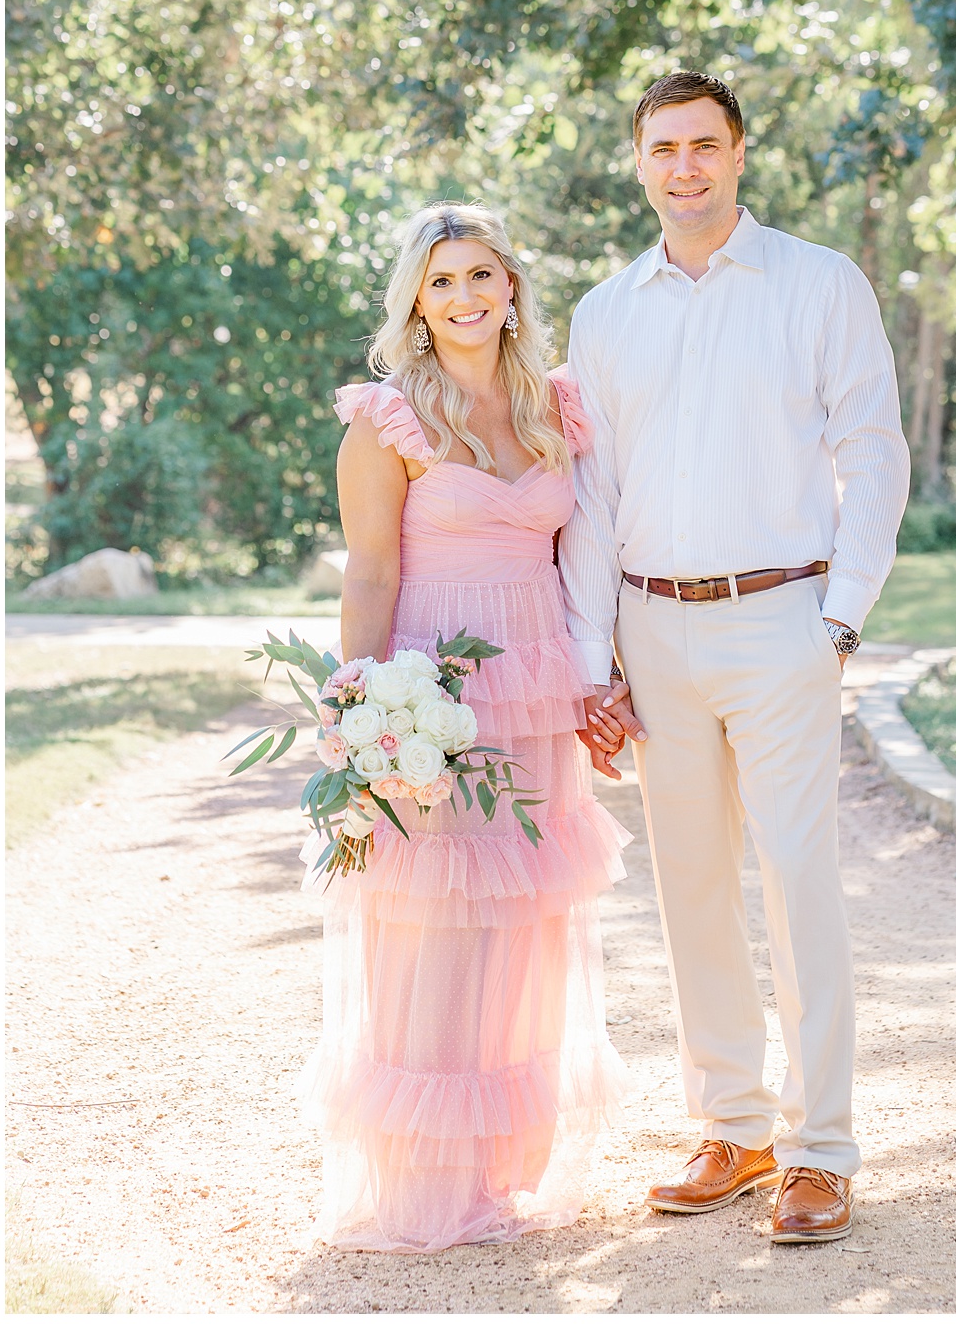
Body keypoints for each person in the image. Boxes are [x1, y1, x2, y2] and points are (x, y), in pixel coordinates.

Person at [559, 72, 910, 1245]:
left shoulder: (818, 282)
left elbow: (875, 449)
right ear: (640, 162)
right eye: (664, 148)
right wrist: (590, 656)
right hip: (653, 628)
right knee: (692, 887)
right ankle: (735, 1125)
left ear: (740, 152)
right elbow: (595, 493)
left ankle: (820, 1149)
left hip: (784, 619)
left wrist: (841, 619)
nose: (685, 167)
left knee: (800, 879)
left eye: (704, 145)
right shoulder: (606, 313)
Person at [298, 201, 639, 1253]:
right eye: (440, 281)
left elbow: (584, 555)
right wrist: (362, 708)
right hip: (433, 688)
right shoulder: (387, 420)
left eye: (480, 275)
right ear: (415, 299)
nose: (462, 297)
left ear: (511, 289)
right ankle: (423, 1178)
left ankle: (504, 1165)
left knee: (523, 921)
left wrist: (602, 674)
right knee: (432, 924)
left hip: (532, 684)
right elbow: (371, 568)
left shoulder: (556, 411)